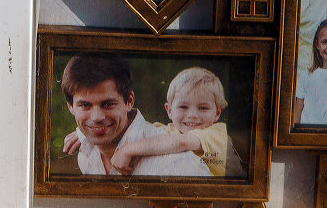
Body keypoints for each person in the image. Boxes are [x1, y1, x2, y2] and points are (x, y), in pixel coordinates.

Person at [80, 66, 245, 179]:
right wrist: (84, 132)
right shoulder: (166, 131)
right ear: (169, 110)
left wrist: (127, 150)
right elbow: (134, 128)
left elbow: (181, 142)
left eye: (203, 108)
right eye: (183, 106)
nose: (193, 115)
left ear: (217, 113)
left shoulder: (216, 134)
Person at [59, 54, 208, 177]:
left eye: (108, 104)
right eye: (85, 105)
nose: (97, 117)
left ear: (129, 101)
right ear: (70, 106)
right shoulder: (85, 153)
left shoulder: (175, 164)